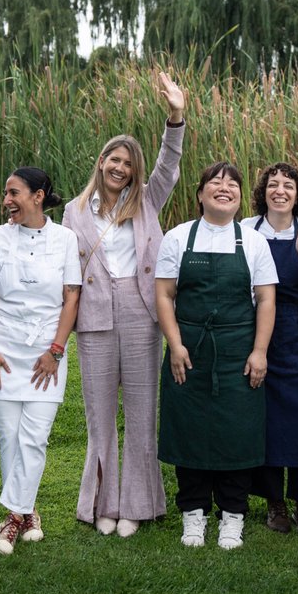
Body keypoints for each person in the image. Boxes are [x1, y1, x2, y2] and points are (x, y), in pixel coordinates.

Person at [64, 70, 187, 538]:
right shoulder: (73, 212)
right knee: (99, 415)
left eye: (128, 164)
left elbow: (169, 164)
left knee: (140, 411)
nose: (120, 168)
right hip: (93, 315)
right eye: (114, 160)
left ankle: (136, 504)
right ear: (101, 162)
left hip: (140, 311)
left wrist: (175, 116)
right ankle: (102, 504)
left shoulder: (148, 200)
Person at [155, 162, 278, 550]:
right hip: (188, 350)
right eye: (215, 182)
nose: (224, 188)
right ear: (200, 194)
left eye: (232, 184)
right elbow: (164, 295)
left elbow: (267, 299)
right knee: (187, 429)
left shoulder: (254, 242)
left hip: (238, 350)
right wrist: (175, 345)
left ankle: (232, 515)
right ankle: (193, 514)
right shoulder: (177, 238)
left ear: (240, 197)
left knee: (237, 433)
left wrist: (259, 351)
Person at [0, 168, 82, 555]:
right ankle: (28, 511)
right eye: (5, 193)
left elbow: (71, 298)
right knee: (10, 436)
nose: (6, 201)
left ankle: (12, 520)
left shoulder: (66, 238)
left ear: (38, 195)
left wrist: (55, 351)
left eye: (13, 193)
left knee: (35, 436)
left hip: (46, 353)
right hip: (3, 349)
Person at [240, 162, 298, 534]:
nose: (280, 191)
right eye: (273, 184)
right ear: (263, 191)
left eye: (288, 185)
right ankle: (274, 503)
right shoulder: (246, 230)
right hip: (260, 332)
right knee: (267, 420)